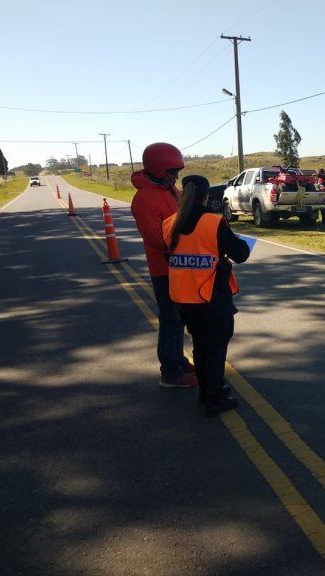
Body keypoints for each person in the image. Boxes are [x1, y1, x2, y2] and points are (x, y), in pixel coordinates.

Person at [162, 175, 250, 417]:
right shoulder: (213, 223)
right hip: (212, 295)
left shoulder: (170, 223)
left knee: (201, 346)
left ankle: (205, 390)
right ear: (206, 195)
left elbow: (168, 256)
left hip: (185, 298)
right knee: (217, 347)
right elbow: (240, 254)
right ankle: (215, 396)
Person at [131, 142, 196, 388]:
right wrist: (187, 243)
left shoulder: (170, 190)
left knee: (179, 319)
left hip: (181, 266)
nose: (176, 176)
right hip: (165, 269)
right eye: (172, 171)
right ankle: (170, 372)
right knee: (170, 320)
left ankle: (177, 359)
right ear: (159, 170)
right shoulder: (145, 199)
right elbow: (156, 238)